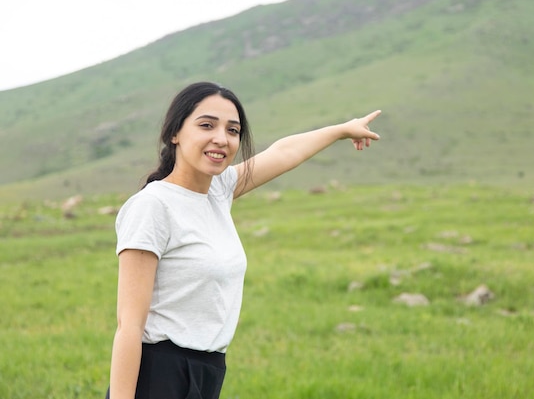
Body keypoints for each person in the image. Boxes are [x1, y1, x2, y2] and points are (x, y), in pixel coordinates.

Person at [106, 81, 381, 399]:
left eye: (233, 130)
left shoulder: (218, 190)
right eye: (207, 125)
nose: (221, 139)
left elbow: (284, 152)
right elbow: (129, 326)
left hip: (208, 370)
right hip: (162, 374)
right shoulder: (153, 206)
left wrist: (342, 130)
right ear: (175, 133)